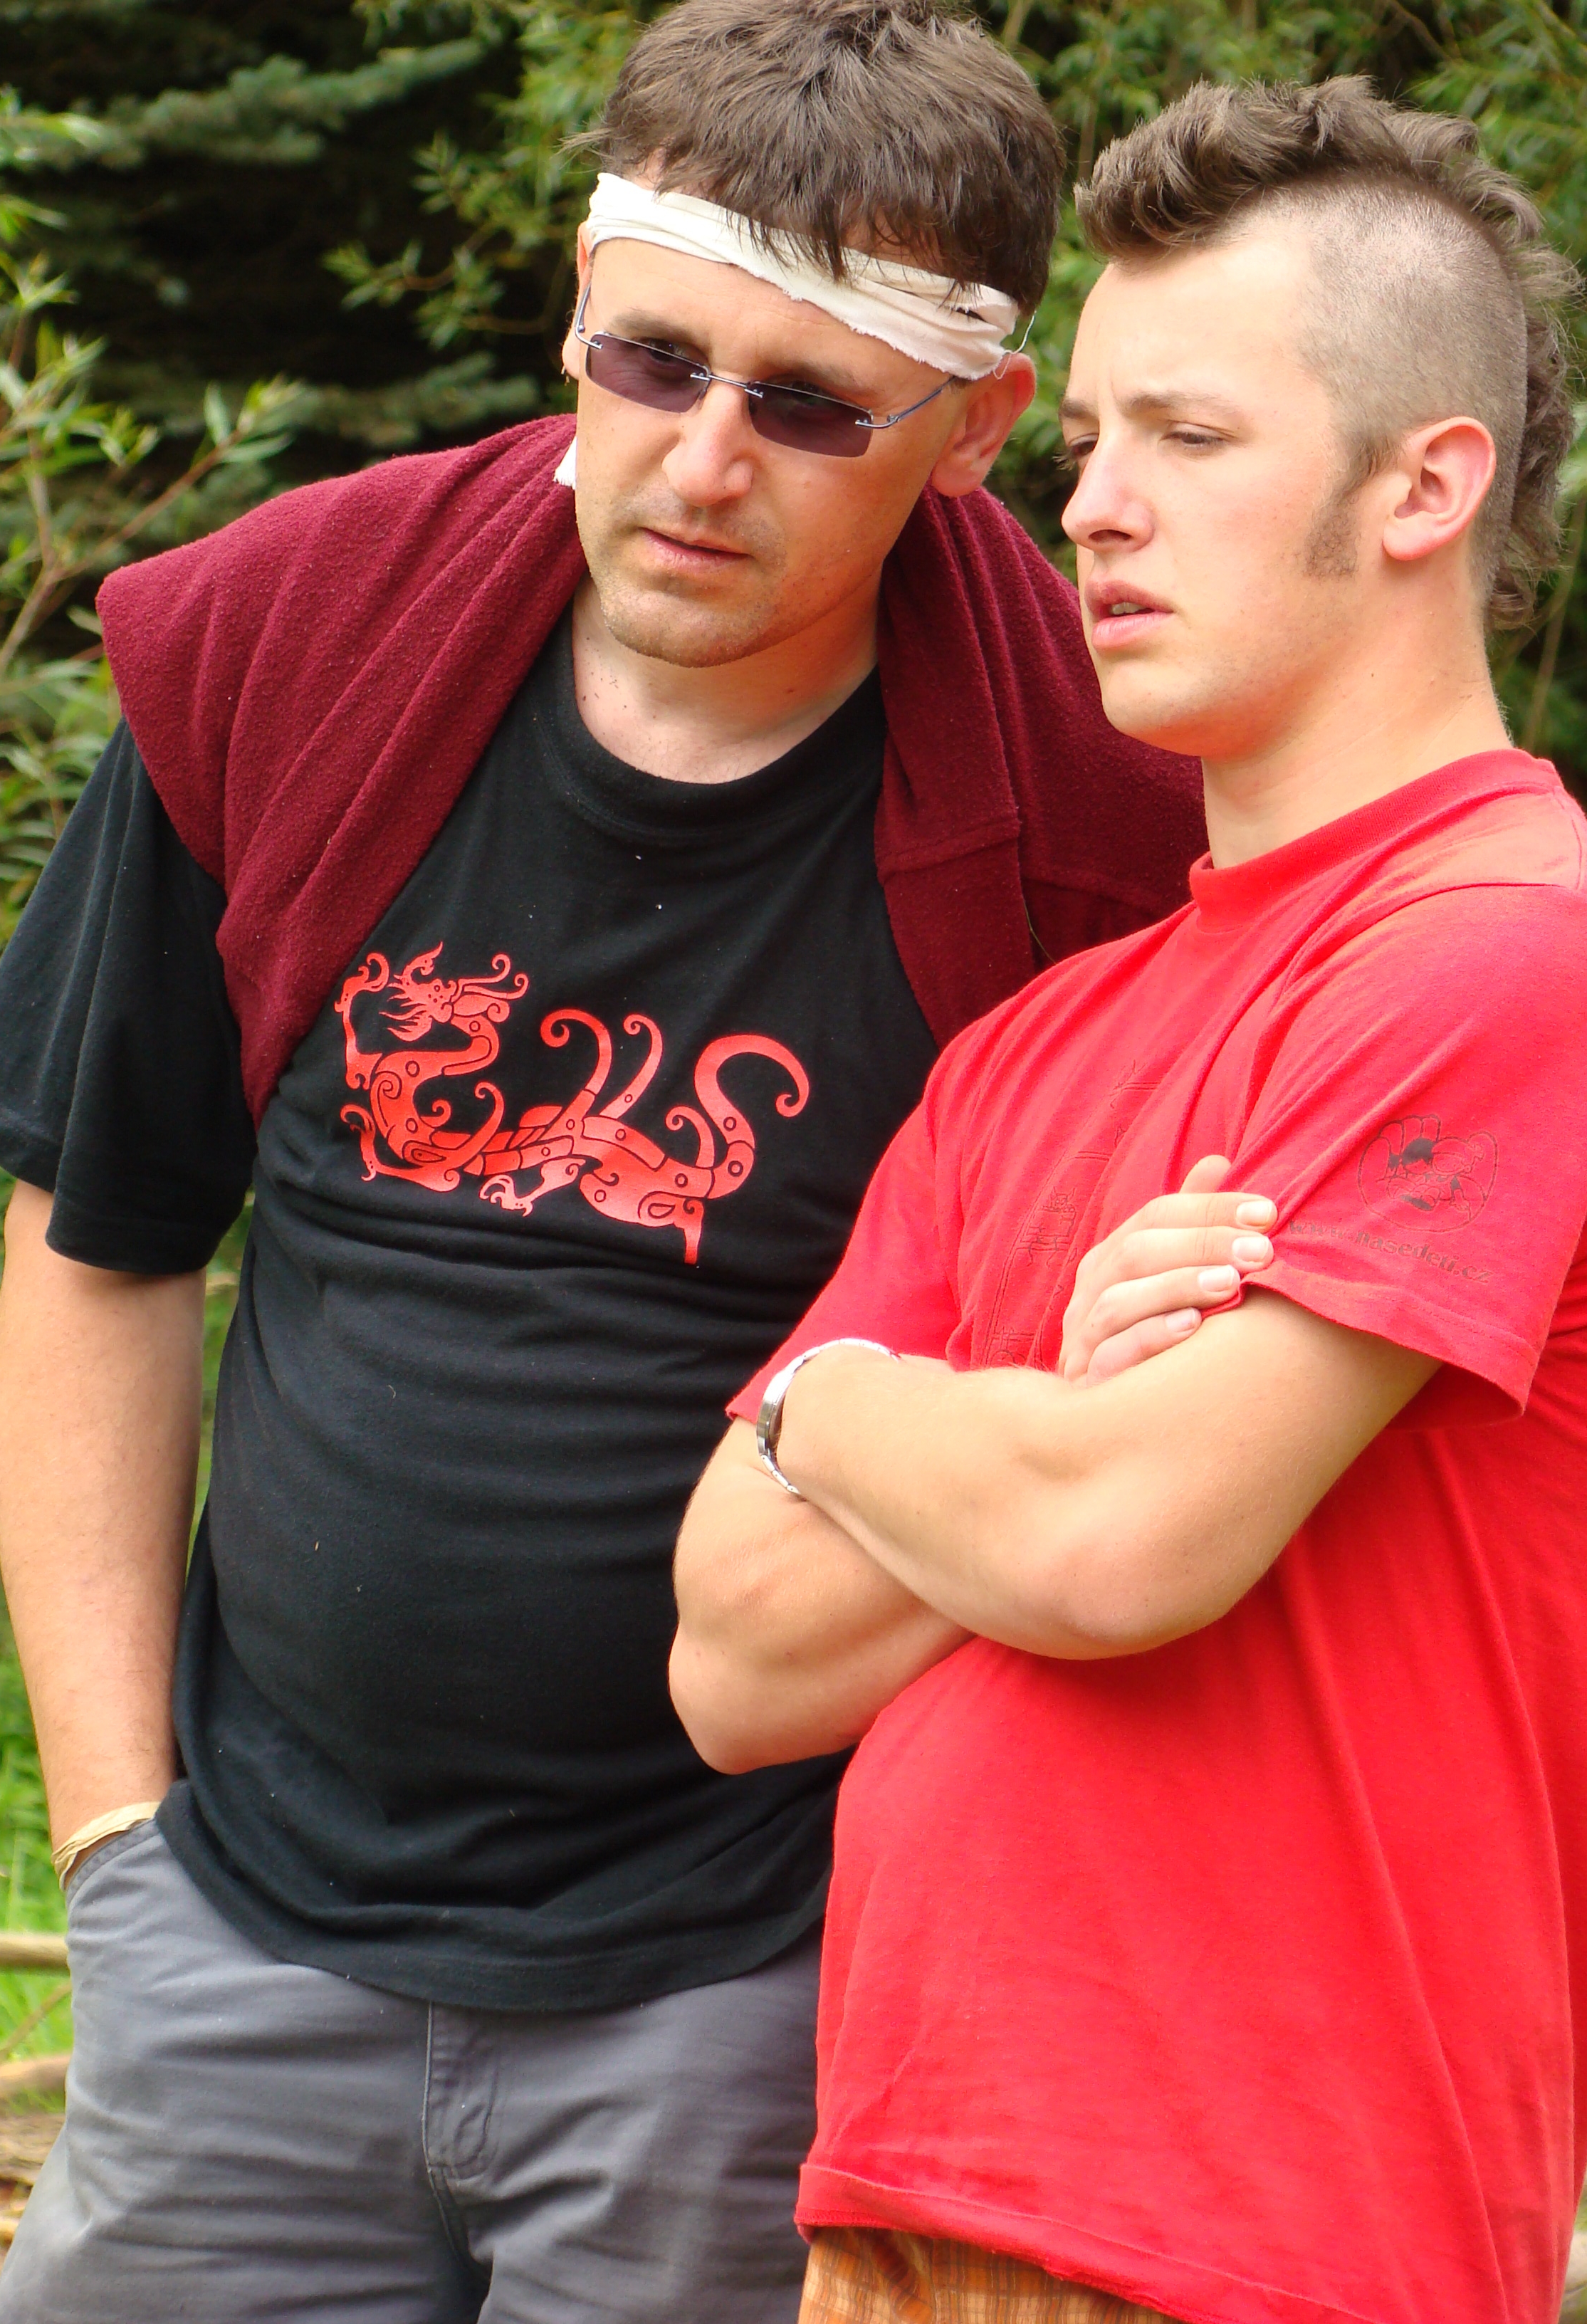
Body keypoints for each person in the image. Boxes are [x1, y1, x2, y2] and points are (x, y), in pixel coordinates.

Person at [0, 4, 1235, 2318]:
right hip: (238, 1943)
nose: (703, 462)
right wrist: (117, 1849)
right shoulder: (296, 649)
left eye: (809, 405)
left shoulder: (1100, 821)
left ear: (973, 430)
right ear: (576, 307)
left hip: (748, 1987)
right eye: (651, 362)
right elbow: (104, 1236)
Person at [674, 75, 1587, 2324]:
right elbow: (730, 1653)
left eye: (1189, 436)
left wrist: (840, 1409)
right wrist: (1043, 1406)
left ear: (1425, 486)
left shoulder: (1508, 952)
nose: (1094, 505)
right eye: (1087, 440)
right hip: (899, 2202)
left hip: (1270, 2235)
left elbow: (1119, 1547)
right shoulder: (1032, 1044)